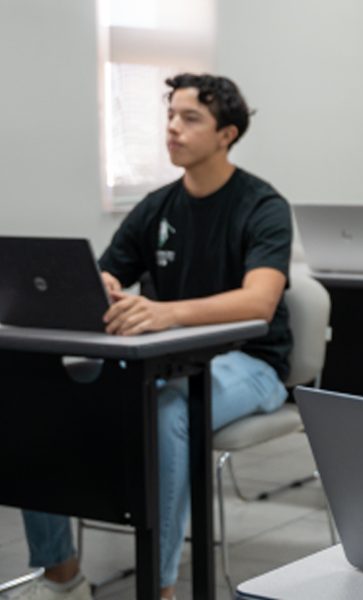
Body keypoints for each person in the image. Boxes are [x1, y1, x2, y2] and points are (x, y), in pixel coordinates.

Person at [12, 74, 292, 600]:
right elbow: (106, 273)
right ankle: (61, 576)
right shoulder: (157, 206)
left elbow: (261, 302)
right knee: (41, 403)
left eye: (190, 119)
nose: (172, 129)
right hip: (164, 359)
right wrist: (105, 284)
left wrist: (168, 314)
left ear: (226, 134)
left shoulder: (262, 205)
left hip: (251, 364)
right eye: (170, 116)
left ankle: (157, 589)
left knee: (165, 413)